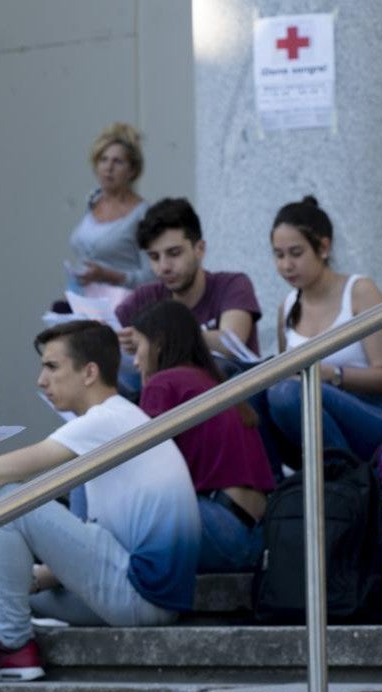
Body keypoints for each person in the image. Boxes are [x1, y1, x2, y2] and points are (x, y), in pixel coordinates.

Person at [0, 321, 199, 682]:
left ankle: (14, 647)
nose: (40, 380)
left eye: (51, 367)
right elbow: (99, 544)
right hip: (146, 596)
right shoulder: (123, 421)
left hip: (140, 595)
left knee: (7, 499)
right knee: (3, 586)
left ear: (89, 373)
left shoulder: (105, 420)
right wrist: (21, 581)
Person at [131, 300, 275, 572]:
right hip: (255, 534)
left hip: (219, 525)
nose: (136, 362)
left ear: (159, 343)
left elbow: (140, 470)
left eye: (138, 348)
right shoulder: (210, 380)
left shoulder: (164, 383)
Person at [262, 196, 382, 463]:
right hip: (315, 421)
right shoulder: (288, 307)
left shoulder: (360, 291)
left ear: (323, 248)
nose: (286, 265)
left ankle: (344, 479)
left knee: (286, 394)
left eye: (296, 253)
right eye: (278, 255)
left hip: (375, 413)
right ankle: (272, 494)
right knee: (252, 396)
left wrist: (329, 374)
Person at [113, 197, 263, 397]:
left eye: (174, 253)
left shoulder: (232, 284)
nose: (164, 267)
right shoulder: (146, 296)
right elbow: (108, 333)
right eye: (154, 257)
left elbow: (230, 343)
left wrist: (158, 339)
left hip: (231, 400)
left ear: (199, 249)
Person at [66, 123, 152, 291]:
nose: (108, 168)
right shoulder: (93, 200)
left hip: (123, 307)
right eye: (103, 160)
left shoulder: (143, 214)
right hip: (84, 301)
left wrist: (107, 275)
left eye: (117, 161)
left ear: (132, 170)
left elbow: (151, 278)